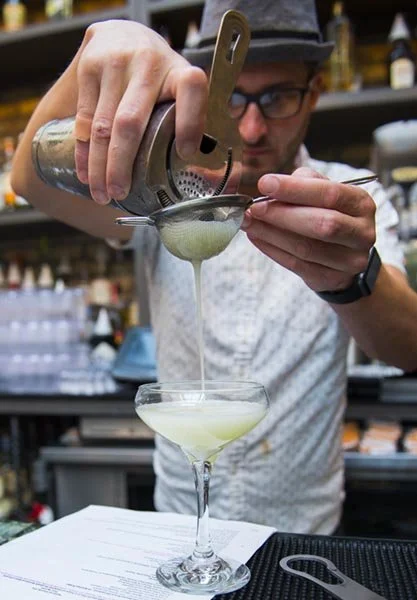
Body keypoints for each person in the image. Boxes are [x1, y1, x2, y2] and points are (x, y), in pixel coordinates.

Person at [11, 0, 417, 535]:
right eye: (234, 98)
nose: (250, 127)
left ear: (314, 92)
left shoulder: (347, 201)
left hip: (301, 531)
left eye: (277, 98)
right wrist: (105, 41)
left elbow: (407, 347)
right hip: (181, 528)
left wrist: (352, 278)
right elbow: (29, 179)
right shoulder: (162, 197)